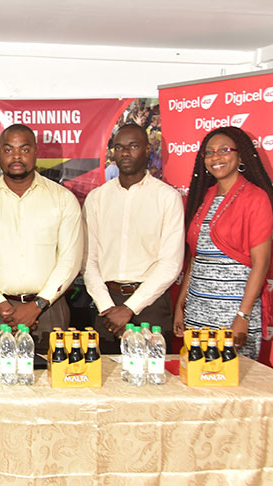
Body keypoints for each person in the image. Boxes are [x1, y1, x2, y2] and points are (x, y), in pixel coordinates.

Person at [0, 124, 83, 353]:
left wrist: (37, 306)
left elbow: (70, 260)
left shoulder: (62, 200)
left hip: (49, 311)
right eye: (9, 150)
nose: (16, 156)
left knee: (50, 385)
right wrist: (4, 307)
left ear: (36, 152)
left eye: (24, 149)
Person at [174, 126, 273, 360]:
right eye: (209, 153)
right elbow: (196, 257)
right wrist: (182, 305)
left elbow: (261, 264)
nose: (215, 157)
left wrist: (243, 315)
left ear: (240, 155)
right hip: (198, 308)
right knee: (199, 380)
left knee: (232, 382)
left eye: (224, 150)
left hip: (232, 310)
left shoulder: (256, 198)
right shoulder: (205, 195)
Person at [83, 123, 184, 353]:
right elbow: (88, 260)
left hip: (150, 306)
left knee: (151, 381)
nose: (125, 153)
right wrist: (108, 307)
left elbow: (171, 263)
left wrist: (130, 308)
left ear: (148, 150)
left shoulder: (167, 197)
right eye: (119, 147)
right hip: (106, 305)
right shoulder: (97, 198)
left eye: (133, 146)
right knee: (106, 383)